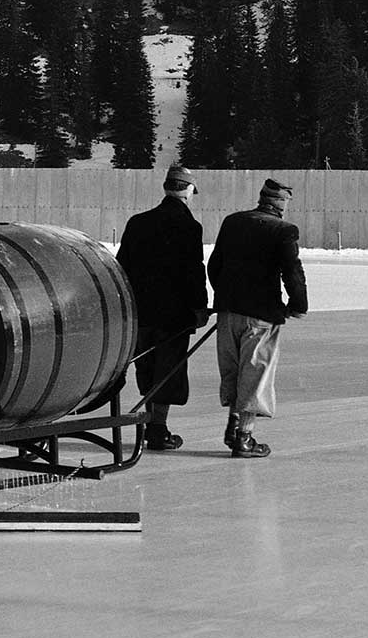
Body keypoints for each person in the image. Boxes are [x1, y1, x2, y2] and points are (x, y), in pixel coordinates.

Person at [206, 177, 309, 458]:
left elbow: (215, 265)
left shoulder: (233, 221)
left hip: (228, 314)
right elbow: (292, 271)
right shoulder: (284, 230)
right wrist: (298, 304)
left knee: (233, 371)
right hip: (261, 316)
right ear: (282, 203)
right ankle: (244, 438)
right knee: (254, 375)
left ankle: (233, 423)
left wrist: (226, 297)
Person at [115, 163, 210, 451]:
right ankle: (158, 427)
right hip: (173, 314)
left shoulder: (138, 222)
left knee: (146, 364)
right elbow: (194, 270)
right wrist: (199, 307)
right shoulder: (189, 226)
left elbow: (122, 266)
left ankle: (149, 424)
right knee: (168, 369)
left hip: (141, 310)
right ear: (189, 190)